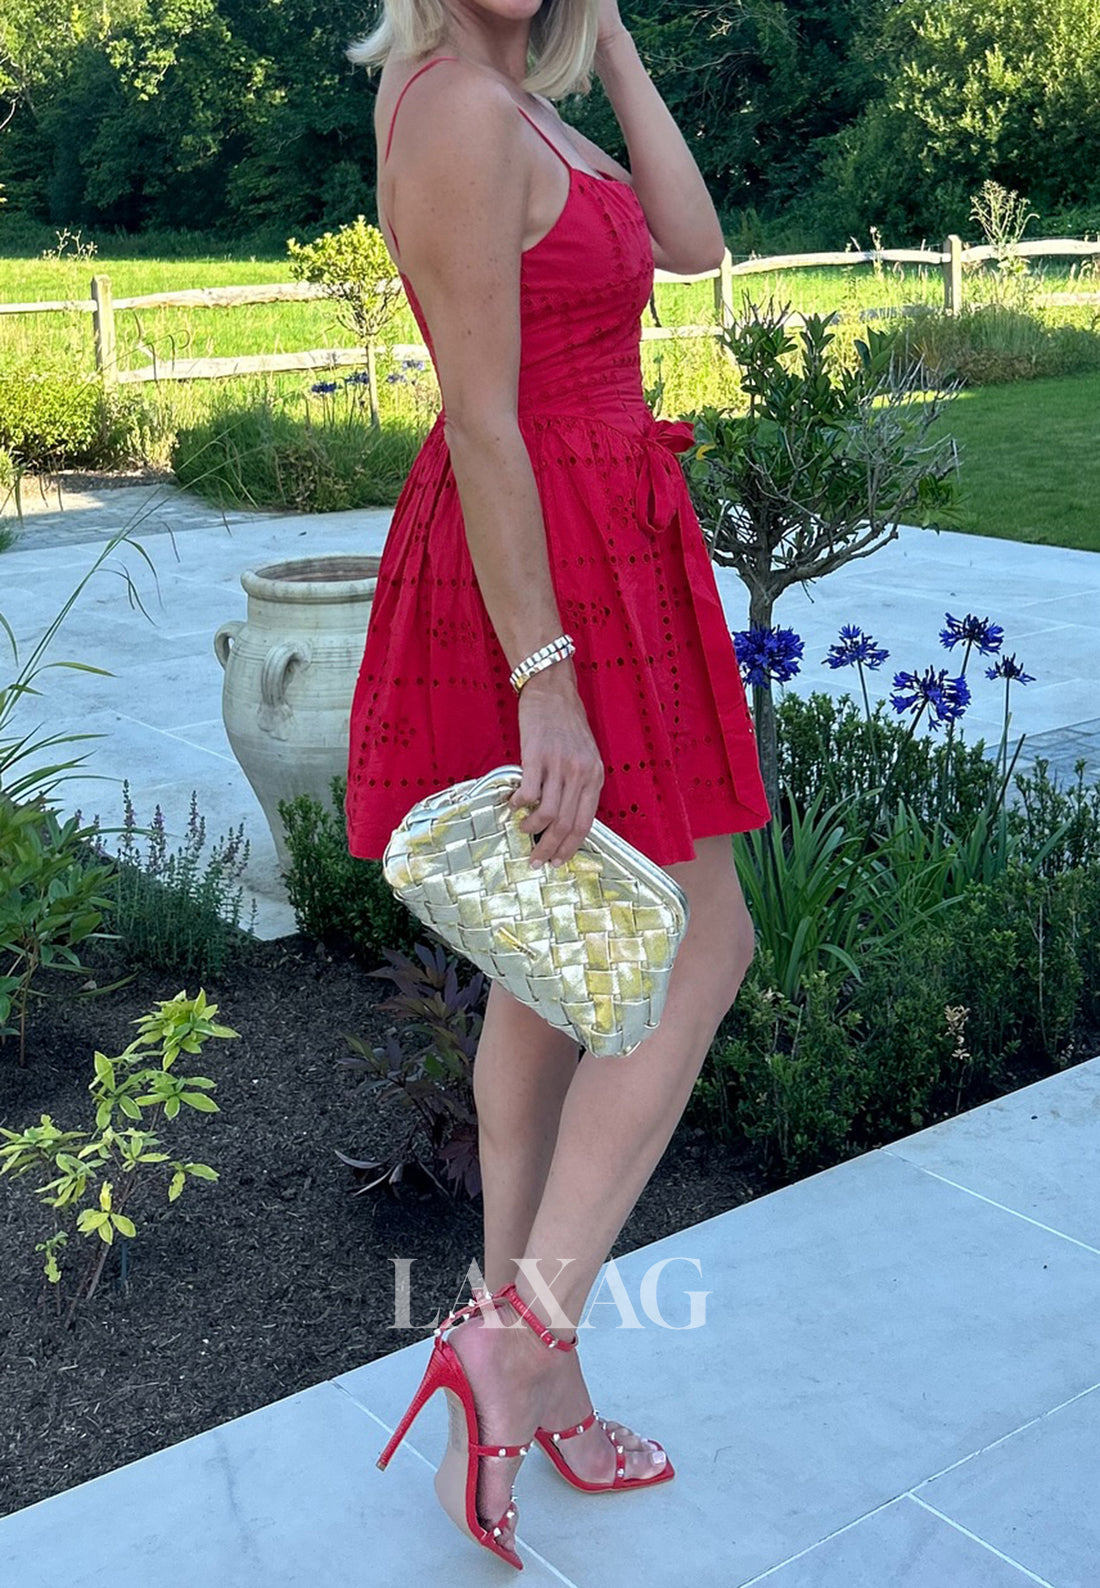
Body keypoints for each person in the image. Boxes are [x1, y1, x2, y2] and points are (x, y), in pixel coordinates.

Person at [344, 0, 772, 1569]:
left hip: (607, 542)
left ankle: (534, 1369)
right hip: (545, 577)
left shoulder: (521, 100)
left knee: (549, 982)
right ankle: (518, 1343)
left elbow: (694, 244)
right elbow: (480, 417)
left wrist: (619, 43)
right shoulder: (455, 110)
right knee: (700, 943)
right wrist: (548, 680)